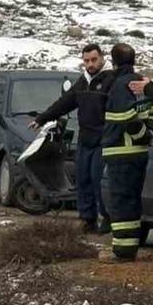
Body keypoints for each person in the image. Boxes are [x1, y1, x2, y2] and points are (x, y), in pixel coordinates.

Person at [33, 43, 114, 234]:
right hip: (85, 138)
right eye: (86, 61)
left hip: (103, 138)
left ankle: (107, 218)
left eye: (94, 60)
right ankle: (87, 218)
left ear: (102, 58)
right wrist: (42, 118)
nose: (90, 64)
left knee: (98, 179)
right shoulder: (83, 82)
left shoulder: (111, 80)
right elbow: (65, 103)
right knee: (83, 178)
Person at [100, 44, 153, 262]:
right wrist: (150, 132)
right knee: (132, 201)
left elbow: (126, 118)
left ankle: (122, 252)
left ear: (114, 62)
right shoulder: (142, 82)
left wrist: (142, 134)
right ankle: (129, 247)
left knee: (120, 202)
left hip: (121, 152)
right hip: (138, 153)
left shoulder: (119, 85)